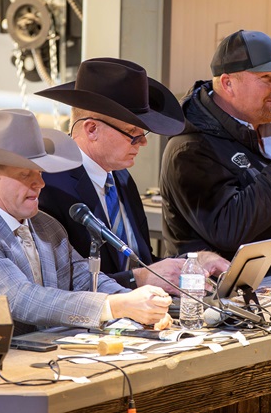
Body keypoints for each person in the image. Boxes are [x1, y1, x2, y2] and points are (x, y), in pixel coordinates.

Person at [0, 109, 172, 354]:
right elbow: (22, 299)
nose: (39, 183)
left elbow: (83, 277)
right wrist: (118, 305)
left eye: (40, 172)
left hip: (23, 365)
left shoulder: (46, 226)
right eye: (25, 173)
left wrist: (140, 303)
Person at [35, 57, 229, 296]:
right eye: (132, 133)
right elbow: (59, 285)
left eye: (142, 132)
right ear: (92, 129)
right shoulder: (49, 186)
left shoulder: (121, 178)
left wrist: (192, 263)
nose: (144, 142)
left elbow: (139, 263)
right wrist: (138, 279)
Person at [160, 30, 271, 275]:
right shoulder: (190, 149)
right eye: (267, 77)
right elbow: (229, 229)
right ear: (227, 83)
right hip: (225, 299)